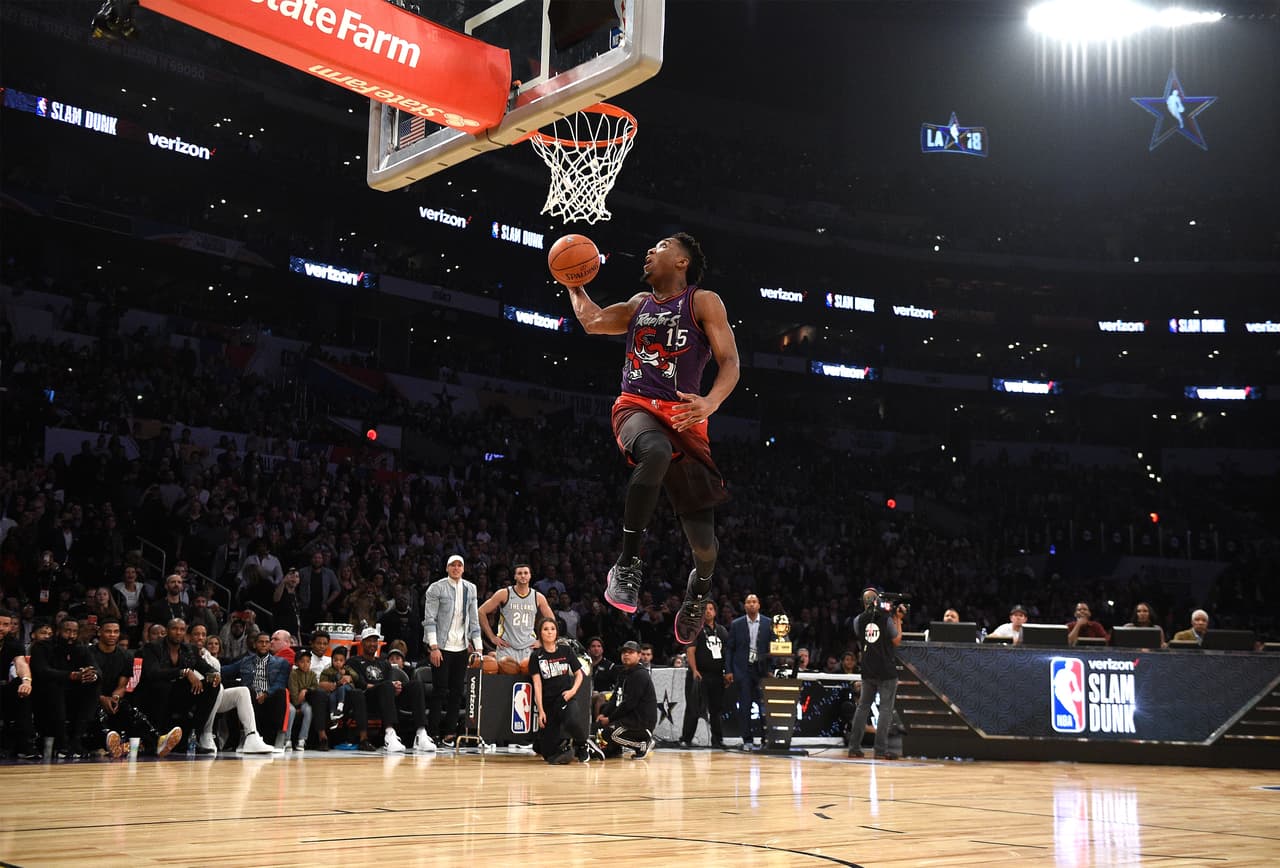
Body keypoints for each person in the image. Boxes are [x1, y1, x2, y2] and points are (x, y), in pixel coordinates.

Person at [562, 233, 740, 648]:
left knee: (705, 547)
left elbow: (730, 361)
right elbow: (591, 321)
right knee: (655, 451)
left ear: (682, 262)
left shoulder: (702, 302)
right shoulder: (639, 304)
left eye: (660, 246)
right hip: (636, 406)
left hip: (686, 418)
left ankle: (698, 591)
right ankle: (626, 566)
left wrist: (711, 402)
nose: (648, 250)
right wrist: (573, 284)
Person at [87, 618, 183, 758]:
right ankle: (110, 741)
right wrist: (101, 698)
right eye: (108, 631)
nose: (112, 635)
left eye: (116, 632)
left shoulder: (126, 655)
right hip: (91, 696)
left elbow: (123, 684)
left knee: (133, 712)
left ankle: (158, 740)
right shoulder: (88, 652)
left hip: (114, 696)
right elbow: (87, 682)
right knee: (96, 711)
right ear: (99, 632)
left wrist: (115, 698)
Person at [422, 555, 483, 747]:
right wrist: (434, 647)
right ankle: (432, 733)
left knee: (457, 691)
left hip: (461, 647)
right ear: (447, 568)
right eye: (452, 565)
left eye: (459, 565)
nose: (456, 568)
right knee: (440, 690)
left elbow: (474, 620)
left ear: (463, 569)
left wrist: (478, 648)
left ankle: (449, 733)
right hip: (440, 646)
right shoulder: (436, 588)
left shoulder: (470, 588)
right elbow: (429, 619)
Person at [348, 626, 433, 753]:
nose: (372, 644)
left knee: (416, 685)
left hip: (387, 696)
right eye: (369, 640)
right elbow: (360, 684)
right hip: (367, 698)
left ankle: (421, 733)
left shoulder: (384, 663)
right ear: (362, 643)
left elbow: (389, 682)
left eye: (375, 641)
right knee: (387, 686)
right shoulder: (354, 661)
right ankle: (389, 734)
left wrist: (396, 686)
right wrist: (387, 686)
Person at [139, 619, 220, 748]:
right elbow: (153, 673)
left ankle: (193, 736)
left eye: (182, 630)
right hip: (156, 694)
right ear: (167, 631)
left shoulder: (189, 649)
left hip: (180, 694)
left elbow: (205, 667)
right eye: (174, 629)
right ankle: (157, 738)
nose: (178, 632)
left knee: (212, 686)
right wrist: (184, 672)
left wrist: (215, 674)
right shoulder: (153, 647)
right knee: (162, 686)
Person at [29, 617, 99, 758]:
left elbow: (96, 669)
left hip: (73, 691)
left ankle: (76, 741)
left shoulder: (81, 648)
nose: (71, 636)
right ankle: (62, 744)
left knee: (93, 688)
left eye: (74, 632)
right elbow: (42, 671)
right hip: (45, 691)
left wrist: (92, 675)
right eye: (67, 631)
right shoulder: (42, 647)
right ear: (58, 631)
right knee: (56, 688)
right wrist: (71, 675)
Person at [848, 589, 904, 760]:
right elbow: (896, 640)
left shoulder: (858, 620)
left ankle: (854, 748)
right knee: (886, 709)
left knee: (862, 707)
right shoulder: (886, 618)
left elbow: (861, 637)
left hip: (867, 668)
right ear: (876, 601)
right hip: (886, 669)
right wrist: (898, 619)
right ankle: (880, 750)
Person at [529, 617, 585, 764]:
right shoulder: (536, 656)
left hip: (565, 698)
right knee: (549, 755)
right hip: (548, 703)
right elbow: (537, 685)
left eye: (552, 629)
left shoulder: (566, 650)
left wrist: (572, 691)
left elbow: (580, 674)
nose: (549, 632)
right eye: (545, 629)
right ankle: (557, 747)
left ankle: (582, 744)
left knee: (572, 721)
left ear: (557, 632)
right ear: (540, 633)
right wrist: (540, 710)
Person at [478, 563, 554, 668]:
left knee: (528, 681)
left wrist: (542, 640)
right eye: (519, 573)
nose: (523, 575)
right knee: (505, 681)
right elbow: (481, 611)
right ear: (515, 576)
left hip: (529, 647)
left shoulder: (538, 597)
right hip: (507, 647)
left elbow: (551, 620)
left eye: (526, 573)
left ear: (530, 575)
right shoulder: (504, 593)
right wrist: (492, 637)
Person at [595, 641, 657, 759]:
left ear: (639, 655)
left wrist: (609, 719)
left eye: (630, 652)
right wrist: (603, 713)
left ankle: (642, 745)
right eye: (624, 652)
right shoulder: (623, 673)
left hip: (641, 721)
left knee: (611, 733)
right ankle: (615, 749)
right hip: (630, 717)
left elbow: (629, 704)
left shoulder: (640, 675)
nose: (626, 655)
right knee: (604, 712)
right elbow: (615, 698)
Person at [680, 599, 728, 748]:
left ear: (715, 612)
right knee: (693, 708)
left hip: (717, 675)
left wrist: (726, 672)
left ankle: (717, 740)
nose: (708, 611)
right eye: (705, 609)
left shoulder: (722, 631)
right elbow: (690, 651)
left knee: (716, 710)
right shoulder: (695, 629)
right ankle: (686, 739)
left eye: (711, 609)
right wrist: (694, 670)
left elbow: (727, 653)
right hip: (699, 675)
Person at [726, 593, 771, 750]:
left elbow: (772, 648)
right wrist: (729, 670)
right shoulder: (737, 624)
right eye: (748, 602)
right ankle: (747, 740)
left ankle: (766, 739)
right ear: (745, 606)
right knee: (745, 706)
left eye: (754, 602)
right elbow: (730, 649)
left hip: (762, 671)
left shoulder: (768, 623)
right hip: (743, 670)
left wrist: (771, 669)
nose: (751, 604)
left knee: (764, 706)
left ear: (759, 605)